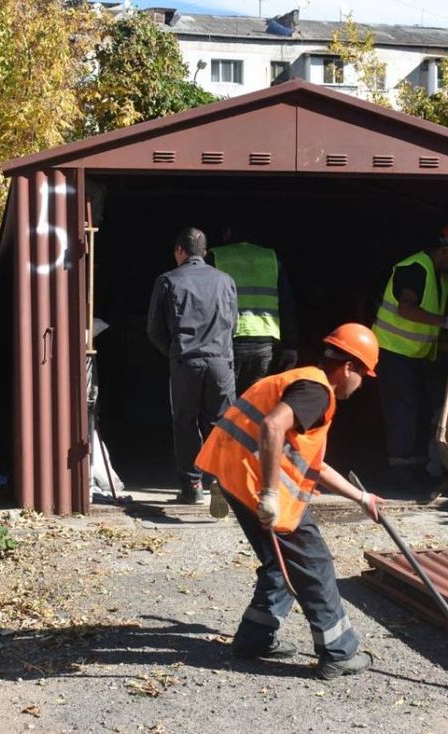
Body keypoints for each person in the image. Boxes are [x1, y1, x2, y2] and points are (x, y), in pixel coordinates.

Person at [195, 323, 382, 680]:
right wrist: (268, 494)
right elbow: (271, 427)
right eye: (363, 375)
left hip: (235, 477)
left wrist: (361, 497)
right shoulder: (317, 391)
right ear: (349, 368)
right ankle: (339, 651)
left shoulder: (304, 383)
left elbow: (316, 465)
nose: (361, 386)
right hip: (256, 487)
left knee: (280, 565)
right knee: (314, 563)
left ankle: (255, 638)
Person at [372, 222, 448, 490]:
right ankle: (399, 472)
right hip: (392, 352)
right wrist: (446, 321)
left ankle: (414, 467)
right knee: (403, 412)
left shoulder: (440, 276)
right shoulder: (414, 268)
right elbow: (406, 309)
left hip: (417, 356)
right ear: (444, 250)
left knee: (418, 410)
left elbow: (435, 307)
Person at [147, 226, 238, 504]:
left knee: (185, 422)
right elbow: (233, 324)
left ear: (179, 251)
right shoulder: (226, 281)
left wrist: (173, 352)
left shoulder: (167, 280)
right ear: (205, 253)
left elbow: (154, 329)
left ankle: (193, 486)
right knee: (220, 423)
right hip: (220, 362)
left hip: (186, 362)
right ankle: (223, 481)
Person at [208, 227, 298, 396]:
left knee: (224, 405)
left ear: (227, 233)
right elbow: (286, 303)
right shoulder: (271, 258)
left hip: (228, 341)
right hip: (266, 343)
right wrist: (291, 344)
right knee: (255, 403)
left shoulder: (216, 257)